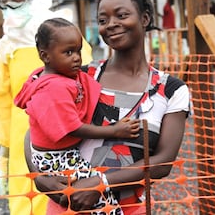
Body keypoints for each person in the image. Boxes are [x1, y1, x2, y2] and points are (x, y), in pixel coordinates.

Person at [29, 0, 190, 214]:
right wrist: (40, 177)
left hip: (129, 207)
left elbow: (163, 161)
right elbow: (37, 130)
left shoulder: (171, 90)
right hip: (68, 205)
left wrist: (100, 184)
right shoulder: (80, 78)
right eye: (103, 20)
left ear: (145, 18)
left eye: (122, 15)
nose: (111, 25)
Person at [0, 0, 93, 215]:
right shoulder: (7, 49)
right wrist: (1, 159)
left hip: (65, 150)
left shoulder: (72, 43)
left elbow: (90, 98)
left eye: (17, 0)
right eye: (3, 2)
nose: (10, 9)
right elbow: (3, 107)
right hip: (20, 152)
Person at [15, 17, 141, 214]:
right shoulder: (54, 88)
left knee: (98, 194)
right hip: (57, 158)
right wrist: (115, 130)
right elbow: (73, 128)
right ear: (45, 56)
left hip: (55, 155)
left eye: (78, 51)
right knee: (96, 195)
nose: (77, 58)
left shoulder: (57, 77)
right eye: (68, 52)